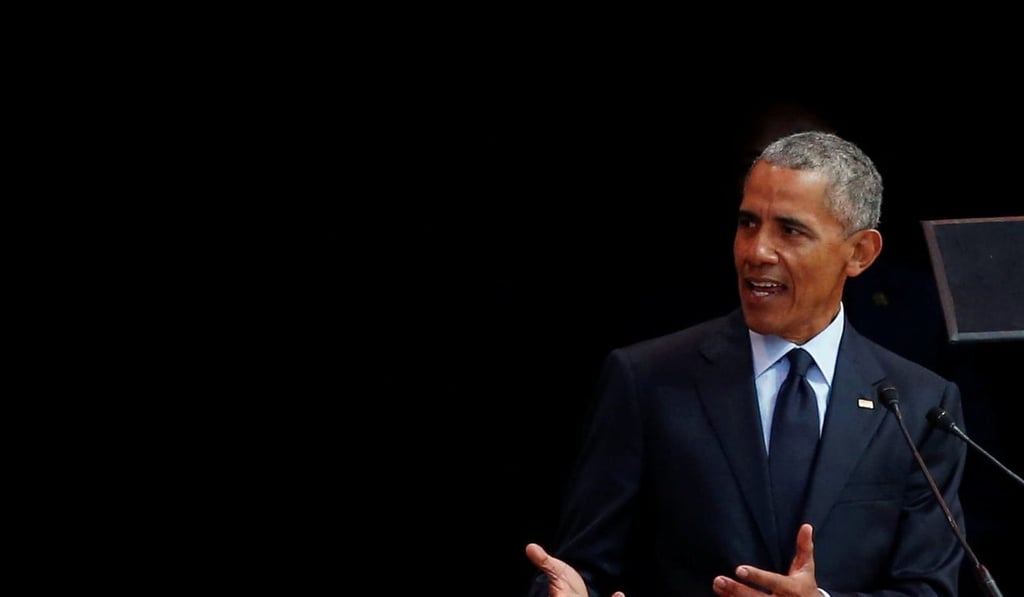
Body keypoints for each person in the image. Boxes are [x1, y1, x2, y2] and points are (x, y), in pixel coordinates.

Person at [524, 130, 968, 596]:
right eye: (748, 223)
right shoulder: (649, 380)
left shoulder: (918, 405)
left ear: (859, 253)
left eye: (790, 231)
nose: (756, 252)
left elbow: (930, 587)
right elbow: (577, 570)